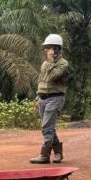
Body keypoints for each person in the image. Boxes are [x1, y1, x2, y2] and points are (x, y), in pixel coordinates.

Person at [30, 33, 68, 164]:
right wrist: (37, 97)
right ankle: (58, 152)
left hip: (55, 98)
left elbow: (53, 77)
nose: (46, 50)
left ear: (56, 49)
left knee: (46, 127)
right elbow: (42, 81)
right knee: (49, 127)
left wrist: (51, 61)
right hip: (43, 99)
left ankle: (44, 155)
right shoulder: (45, 64)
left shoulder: (63, 64)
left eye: (49, 47)